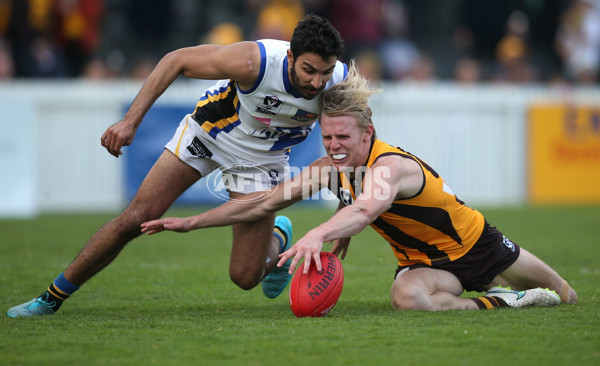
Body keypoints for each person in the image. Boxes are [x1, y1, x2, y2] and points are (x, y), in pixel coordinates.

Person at [140, 63, 578, 311]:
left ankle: (512, 287)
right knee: (406, 297)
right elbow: (261, 205)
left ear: (367, 133)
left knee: (567, 296)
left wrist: (320, 232)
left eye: (343, 138)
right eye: (327, 137)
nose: (333, 146)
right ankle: (508, 301)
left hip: (479, 245)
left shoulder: (389, 166)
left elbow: (366, 209)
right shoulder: (329, 167)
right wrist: (191, 222)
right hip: (422, 261)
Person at [7, 14, 347, 317]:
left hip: (263, 160)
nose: (318, 82)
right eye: (309, 70)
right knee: (135, 218)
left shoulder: (339, 83)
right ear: (290, 56)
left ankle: (277, 235)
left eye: (325, 72)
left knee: (245, 277)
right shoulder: (253, 61)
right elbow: (176, 60)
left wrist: (347, 209)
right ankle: (51, 298)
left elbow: (352, 145)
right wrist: (130, 122)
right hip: (211, 132)